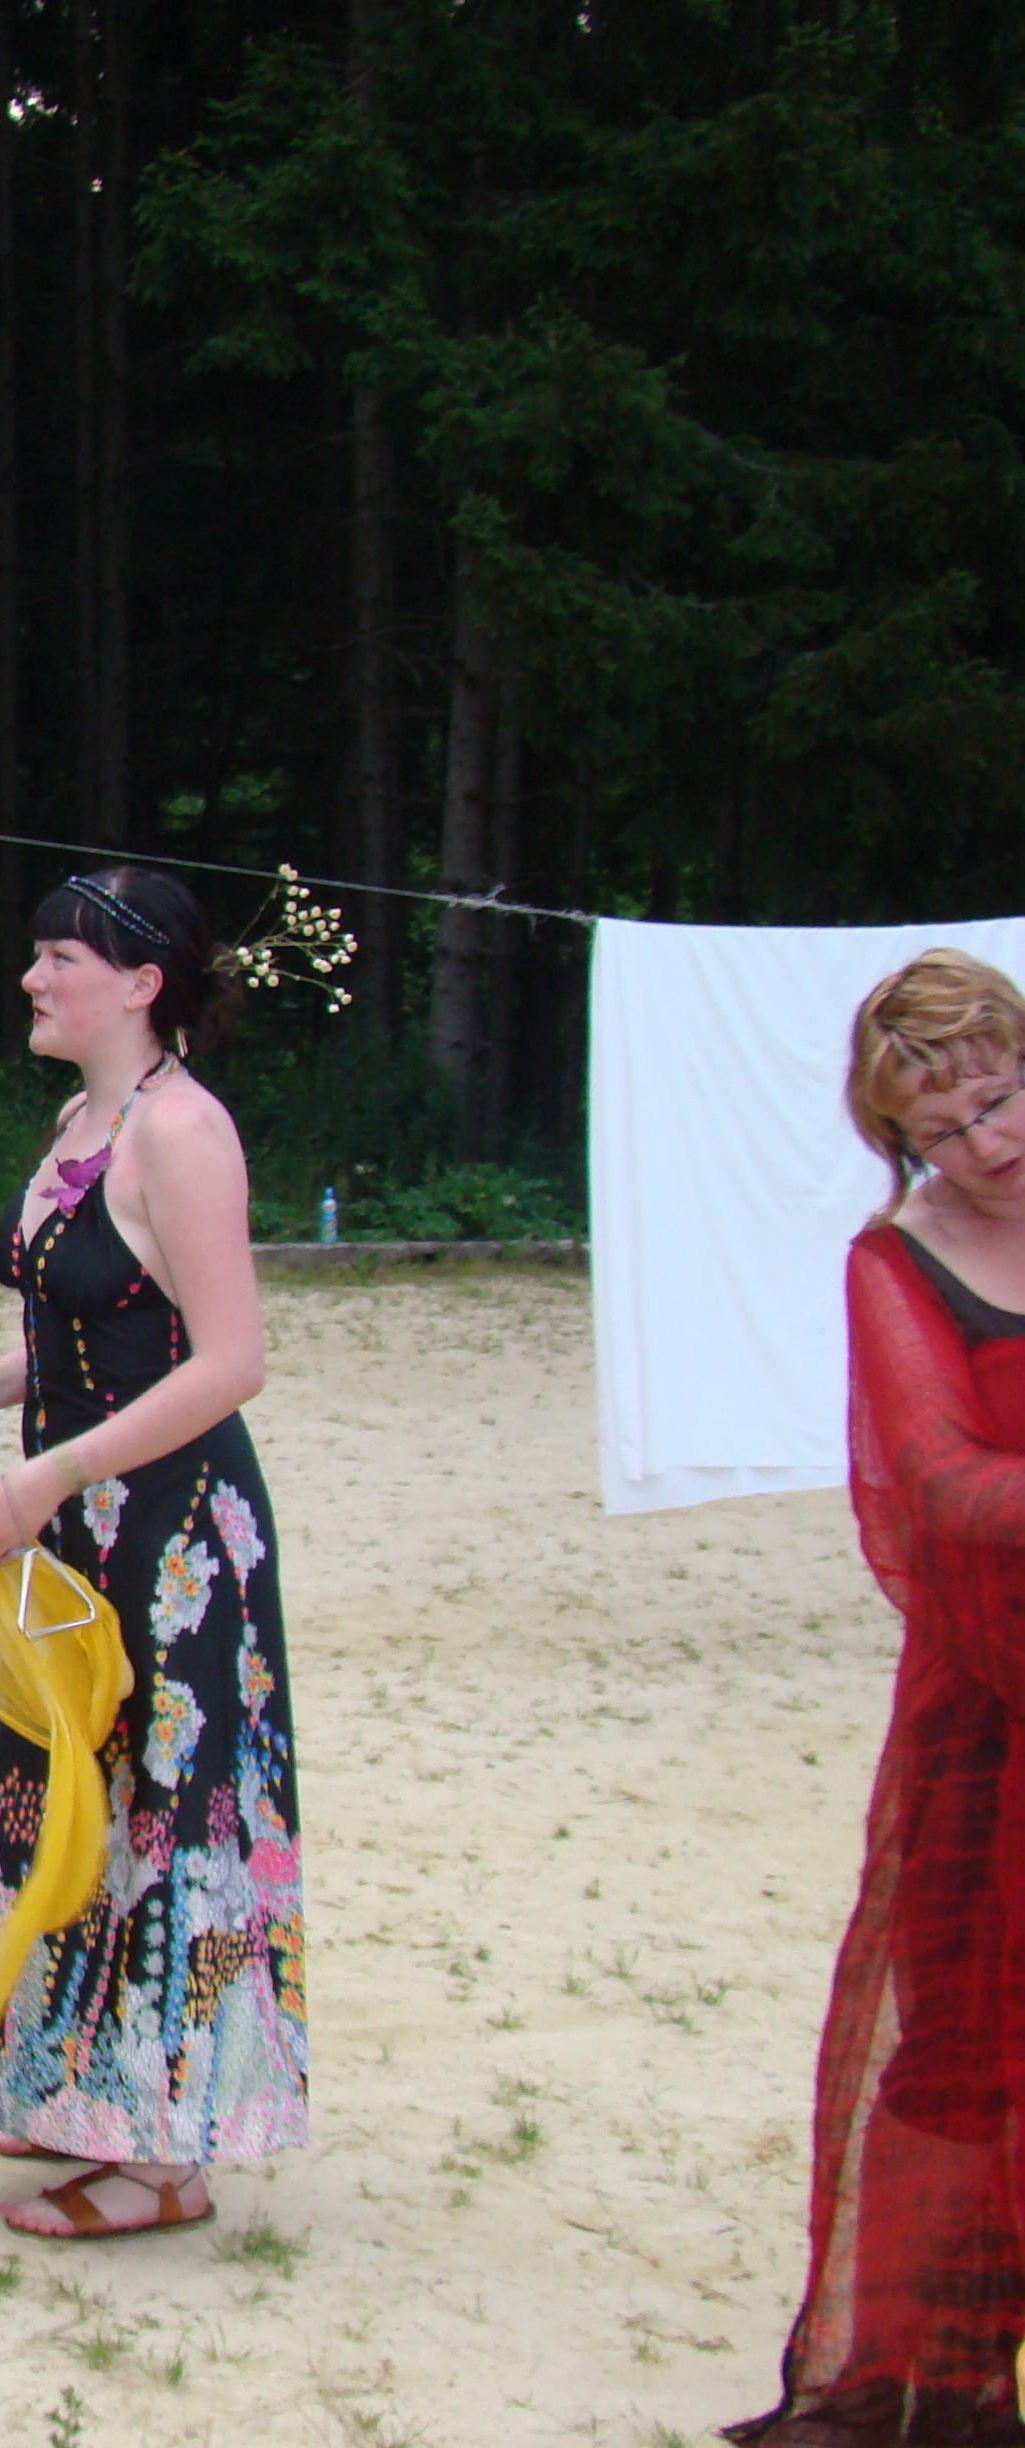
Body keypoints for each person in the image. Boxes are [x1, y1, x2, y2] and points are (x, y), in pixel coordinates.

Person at [0, 865, 304, 2238]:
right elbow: (85, 1333)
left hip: (170, 1536)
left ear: (141, 984)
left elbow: (227, 1362)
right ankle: (77, 2086)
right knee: (75, 1799)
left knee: (163, 1806)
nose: (32, 979)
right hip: (71, 1522)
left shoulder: (184, 1132)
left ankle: (166, 2160)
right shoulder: (82, 1119)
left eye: (60, 958)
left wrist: (51, 1470)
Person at [728, 949, 1025, 2446]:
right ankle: (943, 2366)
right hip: (994, 1704)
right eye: (941, 1130)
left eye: (1001, 1102)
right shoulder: (897, 1263)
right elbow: (944, 1485)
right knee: (969, 2037)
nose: (984, 1144)